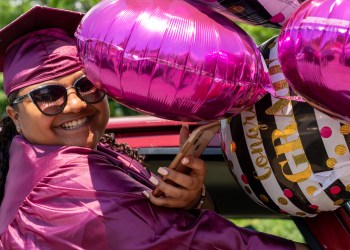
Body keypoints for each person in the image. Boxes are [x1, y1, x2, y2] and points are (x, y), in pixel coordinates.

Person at [0, 5, 308, 250]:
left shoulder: (78, 156)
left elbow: (179, 228)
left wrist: (191, 199)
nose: (77, 104)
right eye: (47, 97)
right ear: (14, 115)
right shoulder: (67, 181)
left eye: (86, 86)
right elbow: (190, 241)